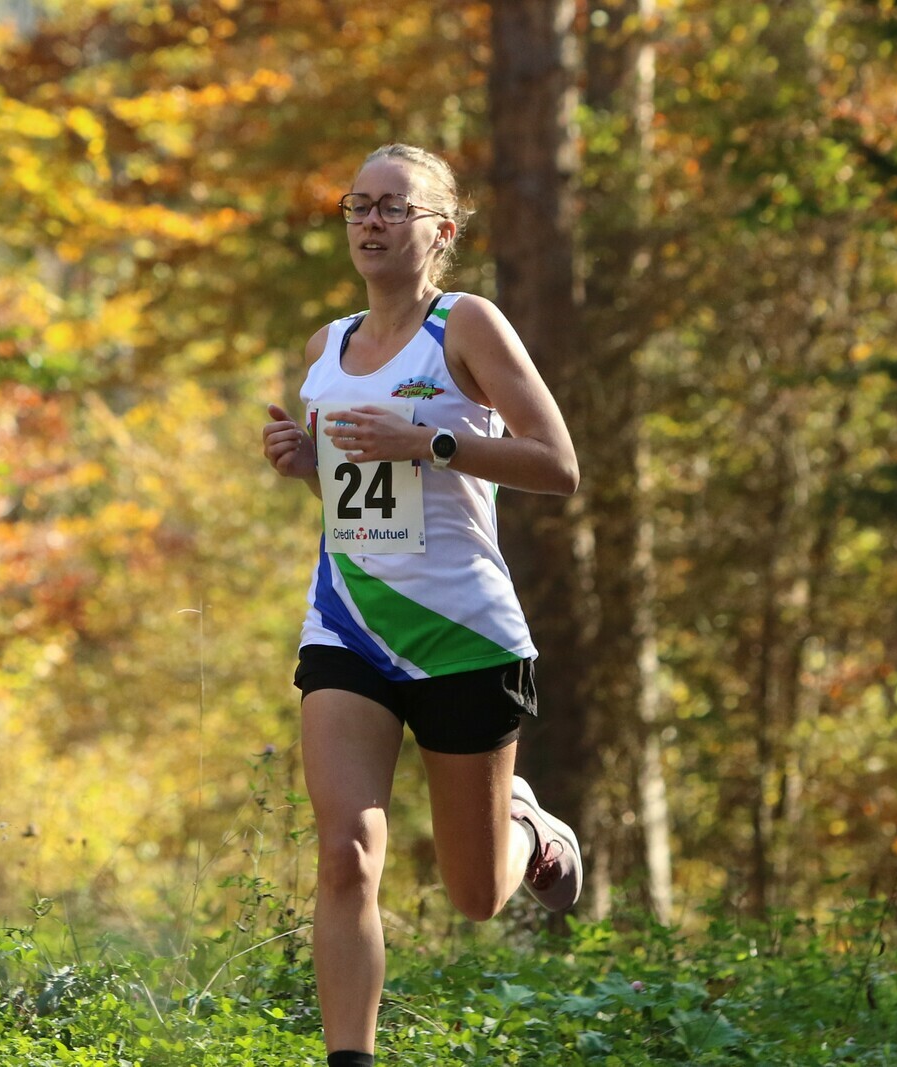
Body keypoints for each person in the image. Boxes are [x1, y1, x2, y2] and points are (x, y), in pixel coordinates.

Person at [260, 143, 583, 1067]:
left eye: (393, 207)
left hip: (462, 632)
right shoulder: (325, 348)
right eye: (358, 205)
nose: (370, 221)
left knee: (475, 895)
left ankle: (531, 827)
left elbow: (557, 465)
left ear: (441, 230)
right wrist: (307, 465)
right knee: (346, 853)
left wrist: (431, 441)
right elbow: (352, 498)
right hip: (349, 624)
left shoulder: (466, 326)